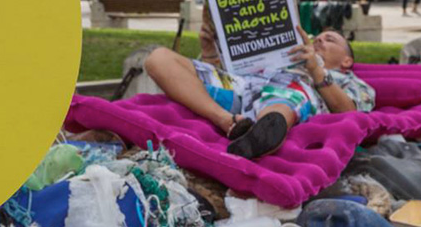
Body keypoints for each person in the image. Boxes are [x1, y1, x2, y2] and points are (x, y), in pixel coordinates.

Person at [144, 26, 375, 159]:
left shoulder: (353, 83)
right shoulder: (282, 58)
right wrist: (209, 50)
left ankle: (263, 136)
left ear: (347, 60)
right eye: (318, 38)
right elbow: (223, 70)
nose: (319, 40)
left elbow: (348, 111)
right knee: (159, 58)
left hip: (292, 89)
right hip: (245, 85)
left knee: (287, 96)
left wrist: (314, 68)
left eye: (330, 40)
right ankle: (226, 121)